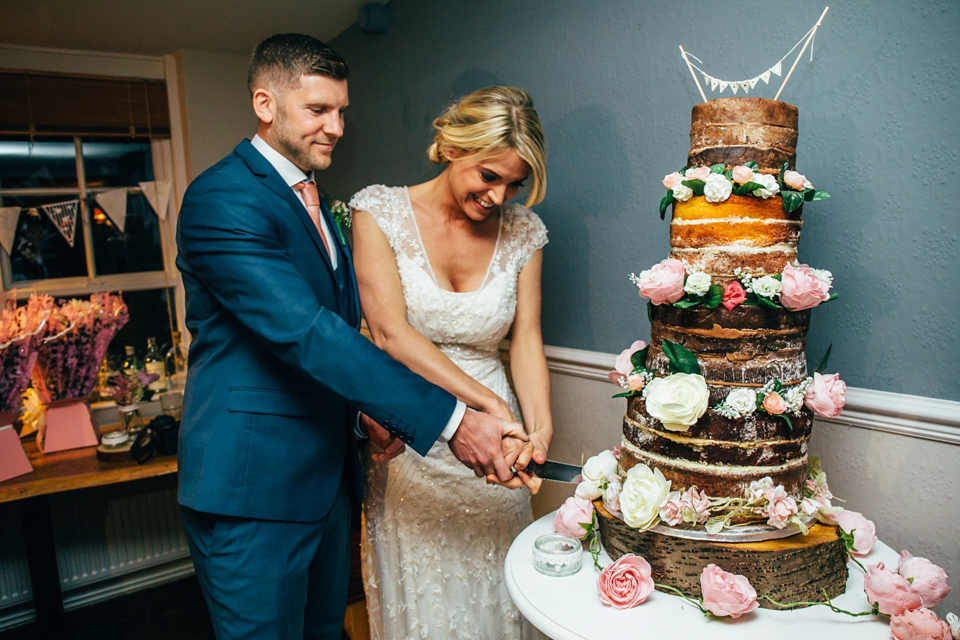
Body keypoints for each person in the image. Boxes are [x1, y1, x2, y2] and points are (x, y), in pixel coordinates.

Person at [175, 35, 527, 640]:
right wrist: (453, 421)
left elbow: (335, 338)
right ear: (265, 104)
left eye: (341, 111)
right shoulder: (221, 199)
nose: (335, 127)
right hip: (251, 493)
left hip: (326, 485)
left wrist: (366, 418)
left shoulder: (318, 201)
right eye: (317, 110)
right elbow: (308, 336)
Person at [351, 86, 553, 640]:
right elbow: (390, 332)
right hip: (412, 433)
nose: (499, 197)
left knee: (499, 596)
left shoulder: (524, 232)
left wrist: (538, 427)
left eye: (514, 184)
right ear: (450, 146)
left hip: (495, 445)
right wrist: (485, 402)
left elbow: (527, 339)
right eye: (489, 176)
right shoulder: (379, 212)